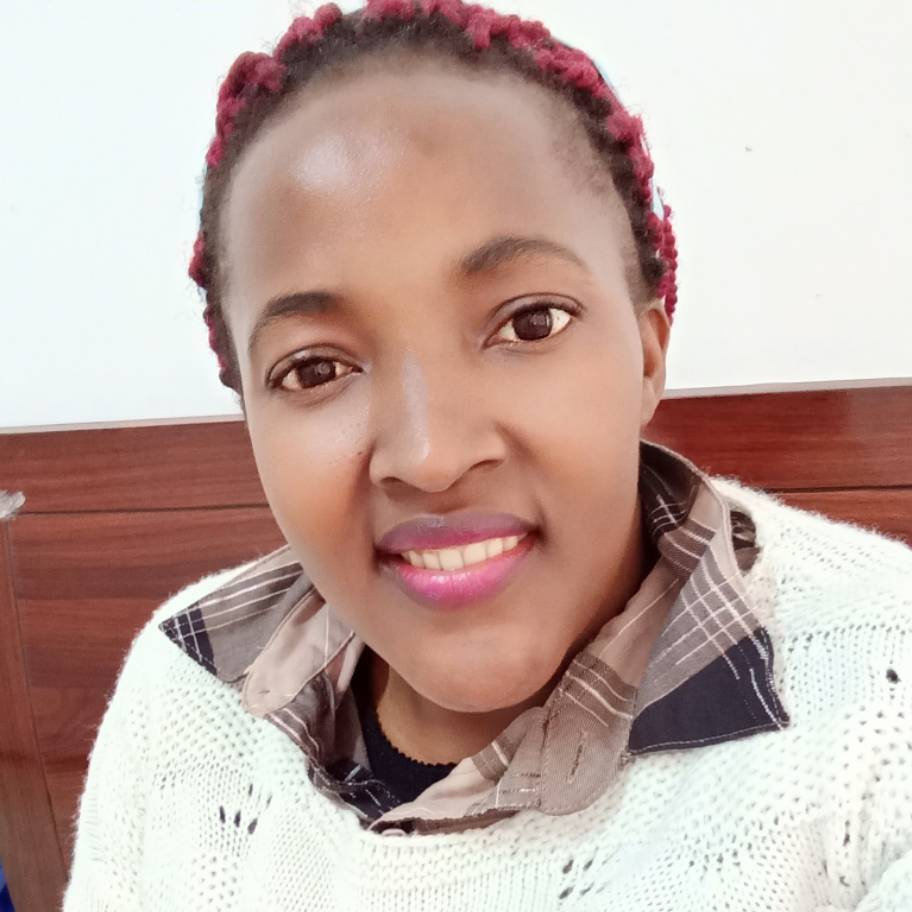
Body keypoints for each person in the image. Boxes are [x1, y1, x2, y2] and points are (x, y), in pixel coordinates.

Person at [63, 1, 912, 909]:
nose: (430, 457)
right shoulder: (185, 691)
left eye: (529, 322)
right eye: (314, 369)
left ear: (647, 354)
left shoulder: (880, 710)